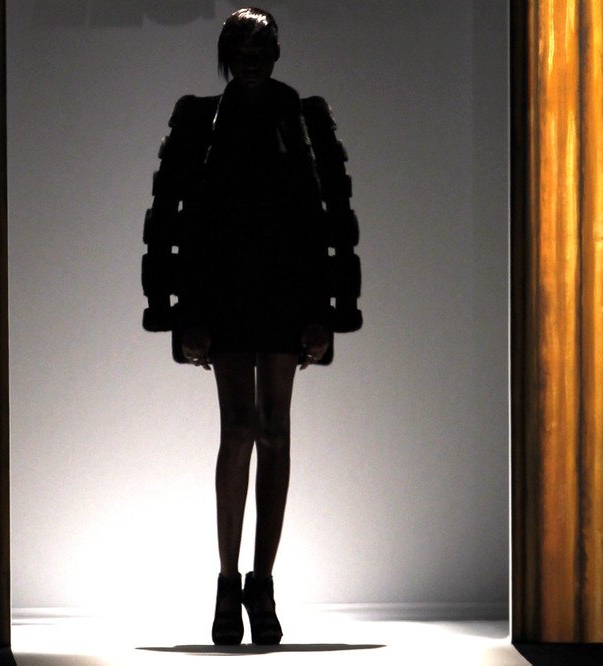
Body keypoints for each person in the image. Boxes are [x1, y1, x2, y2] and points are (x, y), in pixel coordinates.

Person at [141, 7, 362, 645]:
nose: (251, 57)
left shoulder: (302, 118)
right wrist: (185, 313)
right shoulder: (200, 119)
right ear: (226, 54)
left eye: (261, 46)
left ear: (277, 52)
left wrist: (324, 312)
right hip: (225, 293)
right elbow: (175, 219)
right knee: (240, 429)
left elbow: (327, 220)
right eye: (241, 46)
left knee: (274, 431)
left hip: (287, 292)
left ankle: (260, 582)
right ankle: (228, 581)